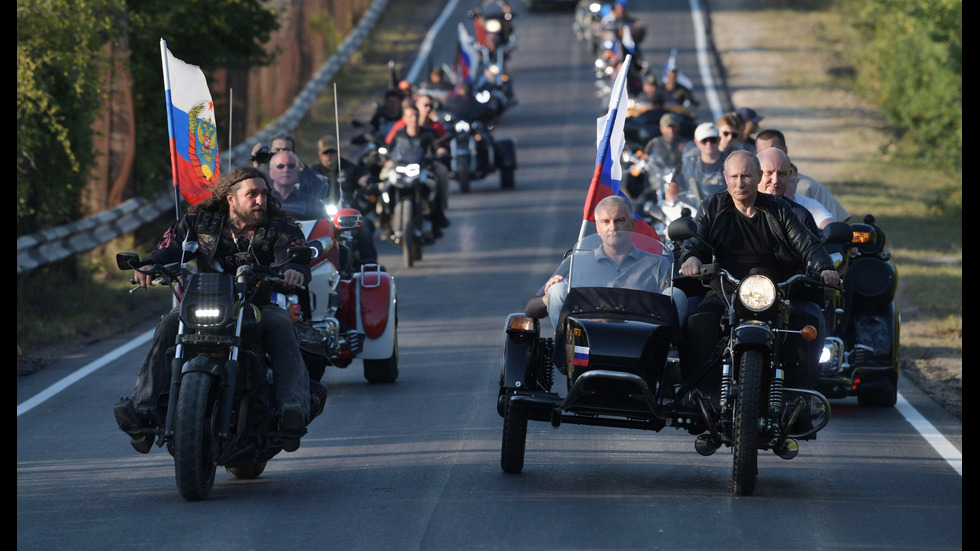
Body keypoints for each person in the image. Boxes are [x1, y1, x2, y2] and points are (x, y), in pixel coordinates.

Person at [113, 166, 313, 453]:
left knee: (282, 326)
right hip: (202, 305)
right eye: (252, 194)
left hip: (254, 306)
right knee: (168, 325)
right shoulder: (198, 221)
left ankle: (291, 410)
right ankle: (143, 411)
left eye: (264, 194)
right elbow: (168, 248)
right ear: (231, 198)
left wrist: (294, 269)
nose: (260, 201)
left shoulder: (280, 226)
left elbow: (294, 256)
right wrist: (149, 265)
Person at [678, 150, 839, 403]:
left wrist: (825, 266)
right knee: (695, 318)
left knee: (808, 319)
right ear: (725, 177)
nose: (740, 183)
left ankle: (798, 396)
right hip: (725, 289)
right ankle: (701, 394)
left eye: (746, 176)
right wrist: (691, 258)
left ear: (757, 177)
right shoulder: (712, 207)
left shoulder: (780, 210)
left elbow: (807, 244)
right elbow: (694, 240)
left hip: (776, 291)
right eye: (734, 176)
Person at [525, 195, 686, 331]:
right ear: (597, 227)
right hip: (585, 344)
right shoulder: (576, 262)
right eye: (606, 221)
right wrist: (548, 297)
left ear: (632, 225)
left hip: (642, 345)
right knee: (557, 289)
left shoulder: (657, 264)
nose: (613, 227)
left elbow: (673, 304)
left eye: (619, 220)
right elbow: (530, 308)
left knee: (677, 295)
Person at [382, 103, 451, 234]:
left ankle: (439, 214)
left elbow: (438, 146)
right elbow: (389, 150)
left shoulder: (429, 132)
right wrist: (382, 156)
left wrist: (440, 152)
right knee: (383, 179)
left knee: (440, 174)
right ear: (404, 118)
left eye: (416, 115)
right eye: (410, 116)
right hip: (401, 167)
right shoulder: (399, 133)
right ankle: (384, 216)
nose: (414, 118)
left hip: (424, 167)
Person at [754, 128, 850, 222]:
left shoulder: (809, 190)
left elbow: (832, 224)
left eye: (782, 174)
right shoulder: (744, 205)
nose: (775, 180)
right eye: (769, 173)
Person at [311, 136, 380, 267]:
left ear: (338, 152)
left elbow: (363, 177)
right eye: (326, 153)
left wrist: (369, 183)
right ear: (320, 154)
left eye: (332, 152)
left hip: (348, 214)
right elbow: (303, 187)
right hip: (322, 216)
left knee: (364, 227)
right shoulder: (314, 172)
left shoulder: (348, 167)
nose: (329, 156)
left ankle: (370, 265)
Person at [250, 132, 328, 199]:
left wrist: (302, 168)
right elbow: (252, 192)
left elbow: (321, 191)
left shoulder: (302, 176)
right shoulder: (265, 176)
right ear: (270, 153)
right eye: (277, 150)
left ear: (294, 153)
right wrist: (256, 166)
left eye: (286, 150)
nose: (281, 154)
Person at [665, 122, 726, 203]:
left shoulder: (729, 161)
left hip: (724, 208)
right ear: (696, 142)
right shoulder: (689, 162)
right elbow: (673, 187)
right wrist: (672, 202)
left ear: (719, 140)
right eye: (704, 141)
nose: (709, 144)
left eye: (713, 140)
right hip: (697, 210)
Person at [268, 151, 328, 221]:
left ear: (297, 172)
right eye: (280, 166)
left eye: (291, 166)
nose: (286, 170)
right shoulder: (263, 200)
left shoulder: (312, 203)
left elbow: (326, 227)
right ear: (271, 173)